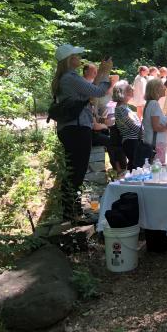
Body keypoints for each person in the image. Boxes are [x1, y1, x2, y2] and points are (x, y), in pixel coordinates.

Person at [51, 44, 114, 219]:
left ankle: (71, 211)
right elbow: (99, 91)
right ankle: (71, 212)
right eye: (76, 56)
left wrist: (101, 73)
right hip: (77, 129)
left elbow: (90, 93)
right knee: (77, 172)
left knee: (74, 170)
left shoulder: (64, 78)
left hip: (70, 129)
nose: (80, 59)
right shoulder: (70, 78)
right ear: (70, 60)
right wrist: (106, 72)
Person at [141, 79, 167, 165]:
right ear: (156, 89)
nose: (164, 88)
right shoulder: (154, 104)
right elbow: (156, 127)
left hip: (153, 142)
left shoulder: (149, 103)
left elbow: (158, 122)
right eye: (162, 86)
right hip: (157, 144)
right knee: (158, 168)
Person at [114, 82, 142, 171]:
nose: (132, 91)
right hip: (130, 141)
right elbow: (131, 125)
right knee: (135, 167)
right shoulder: (121, 109)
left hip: (133, 140)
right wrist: (145, 132)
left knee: (134, 166)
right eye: (129, 90)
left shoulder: (124, 107)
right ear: (122, 93)